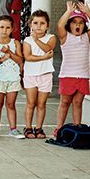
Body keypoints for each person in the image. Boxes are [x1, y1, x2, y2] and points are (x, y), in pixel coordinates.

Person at [55, 2, 90, 131]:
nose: (78, 25)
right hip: (67, 75)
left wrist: (87, 12)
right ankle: (59, 128)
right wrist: (68, 12)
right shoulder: (65, 37)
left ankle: (77, 126)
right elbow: (59, 25)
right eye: (74, 22)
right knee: (65, 102)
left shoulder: (86, 37)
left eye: (81, 23)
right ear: (69, 24)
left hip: (82, 76)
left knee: (77, 103)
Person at [0, 15, 24, 139]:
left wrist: (9, 53)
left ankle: (13, 129)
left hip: (13, 79)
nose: (4, 30)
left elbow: (20, 60)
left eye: (8, 28)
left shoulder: (15, 43)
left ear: (12, 29)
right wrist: (1, 59)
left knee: (11, 104)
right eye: (2, 27)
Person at [22, 9, 56, 139]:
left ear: (47, 25)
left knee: (41, 104)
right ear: (30, 25)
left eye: (42, 23)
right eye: (35, 23)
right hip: (31, 75)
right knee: (31, 103)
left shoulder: (51, 38)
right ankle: (28, 127)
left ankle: (39, 128)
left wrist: (37, 40)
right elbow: (28, 57)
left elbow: (48, 48)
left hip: (45, 75)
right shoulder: (27, 40)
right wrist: (43, 57)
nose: (39, 26)